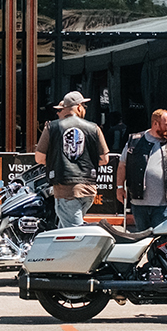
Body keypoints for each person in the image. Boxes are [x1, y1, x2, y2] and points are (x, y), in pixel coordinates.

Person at [33, 91, 108, 229]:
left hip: (65, 189)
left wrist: (56, 160)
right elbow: (104, 159)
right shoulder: (93, 128)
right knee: (65, 232)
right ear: (79, 107)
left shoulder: (52, 127)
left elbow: (39, 158)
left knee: (72, 234)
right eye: (84, 106)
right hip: (89, 189)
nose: (85, 109)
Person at [119, 109, 167, 230]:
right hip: (139, 203)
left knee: (162, 239)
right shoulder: (135, 141)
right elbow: (122, 164)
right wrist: (119, 187)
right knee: (141, 239)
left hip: (166, 204)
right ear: (155, 124)